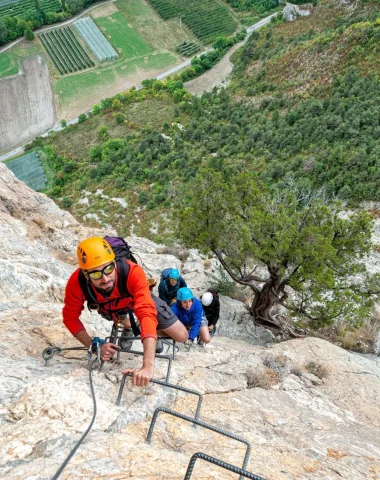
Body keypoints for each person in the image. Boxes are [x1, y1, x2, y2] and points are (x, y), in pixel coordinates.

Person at [62, 237, 187, 386]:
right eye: (95, 274)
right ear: (85, 274)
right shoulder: (77, 283)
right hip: (111, 308)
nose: (105, 279)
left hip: (135, 298)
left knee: (181, 336)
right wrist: (94, 347)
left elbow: (146, 312)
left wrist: (147, 365)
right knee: (128, 322)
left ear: (114, 263)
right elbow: (70, 317)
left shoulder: (132, 272)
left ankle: (143, 329)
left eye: (109, 269)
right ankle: (131, 325)